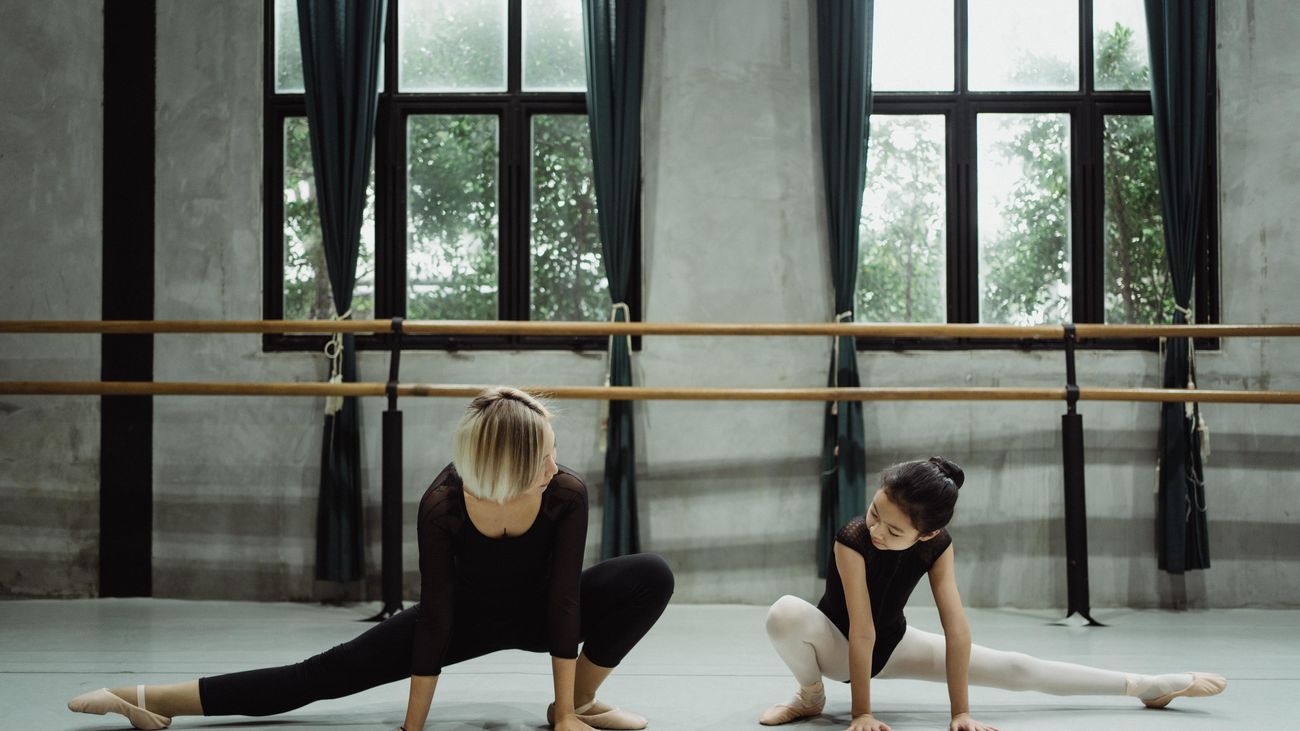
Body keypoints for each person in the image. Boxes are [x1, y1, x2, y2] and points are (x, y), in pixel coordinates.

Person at [68, 387, 674, 731]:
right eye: (545, 453)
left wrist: (563, 717)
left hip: (543, 614)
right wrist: (414, 729)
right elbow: (436, 617)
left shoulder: (564, 492)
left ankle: (579, 704)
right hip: (461, 618)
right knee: (309, 680)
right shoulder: (443, 504)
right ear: (505, 467)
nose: (557, 462)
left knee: (649, 575)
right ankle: (145, 697)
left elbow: (565, 599)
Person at [760, 457, 1226, 731]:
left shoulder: (937, 547)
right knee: (785, 614)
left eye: (894, 528)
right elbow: (860, 631)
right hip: (837, 647)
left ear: (927, 533)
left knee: (1019, 668)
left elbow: (956, 628)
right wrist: (862, 713)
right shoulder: (853, 538)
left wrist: (961, 712)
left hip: (894, 643)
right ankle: (810, 695)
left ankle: (1145, 686)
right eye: (875, 512)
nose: (877, 528)